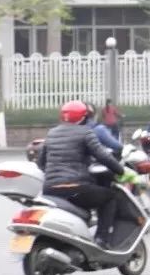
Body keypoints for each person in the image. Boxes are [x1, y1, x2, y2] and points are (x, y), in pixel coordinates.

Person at [37, 100, 131, 249]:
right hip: (75, 188)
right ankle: (102, 239)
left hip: (50, 189)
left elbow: (41, 162)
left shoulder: (52, 133)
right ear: (84, 117)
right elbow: (103, 156)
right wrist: (121, 171)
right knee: (110, 198)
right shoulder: (86, 132)